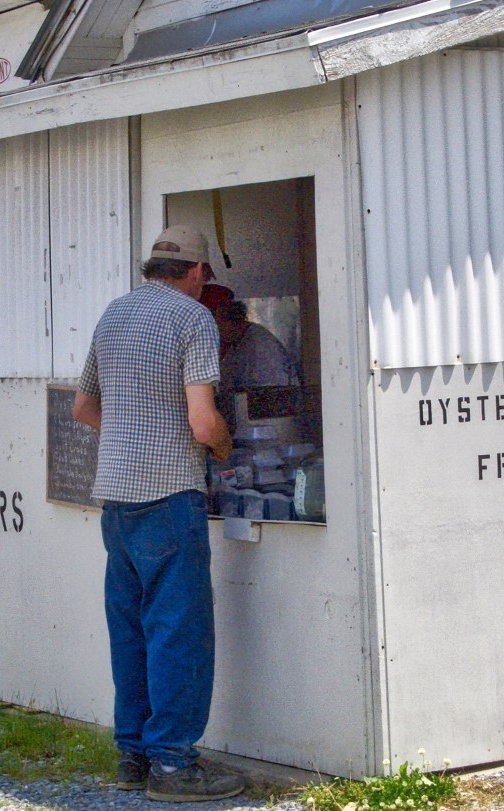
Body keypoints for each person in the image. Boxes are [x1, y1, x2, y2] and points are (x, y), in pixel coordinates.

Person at [72, 225, 244, 803]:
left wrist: (131, 434)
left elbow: (83, 407)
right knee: (179, 632)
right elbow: (202, 421)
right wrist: (222, 446)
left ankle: (133, 758)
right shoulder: (192, 320)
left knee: (133, 631)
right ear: (196, 272)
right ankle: (173, 766)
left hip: (116, 501)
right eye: (205, 276)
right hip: (170, 495)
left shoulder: (113, 315)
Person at [198, 283, 300, 429]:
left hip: (272, 426)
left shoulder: (260, 345)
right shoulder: (234, 343)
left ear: (224, 318)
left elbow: (270, 397)